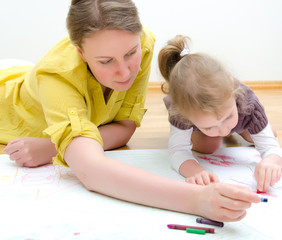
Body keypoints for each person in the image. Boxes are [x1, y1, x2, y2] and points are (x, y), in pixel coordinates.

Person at [0, 0, 260, 222]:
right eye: (106, 61)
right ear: (80, 53)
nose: (125, 73)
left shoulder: (144, 42)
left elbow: (125, 129)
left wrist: (53, 146)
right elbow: (91, 171)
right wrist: (195, 200)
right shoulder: (56, 77)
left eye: (130, 53)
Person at [158, 35, 282, 193]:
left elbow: (272, 148)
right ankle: (215, 126)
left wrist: (273, 161)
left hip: (243, 116)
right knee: (209, 145)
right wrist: (195, 171)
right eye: (210, 126)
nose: (224, 130)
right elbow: (178, 151)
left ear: (231, 87)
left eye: (228, 117)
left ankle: (234, 125)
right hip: (207, 127)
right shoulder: (180, 112)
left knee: (269, 134)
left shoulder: (249, 105)